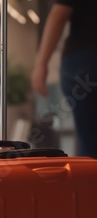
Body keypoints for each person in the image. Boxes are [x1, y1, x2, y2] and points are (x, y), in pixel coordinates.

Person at [32, 0, 97, 158]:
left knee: (89, 140)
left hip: (84, 59)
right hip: (85, 59)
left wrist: (41, 63)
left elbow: (58, 14)